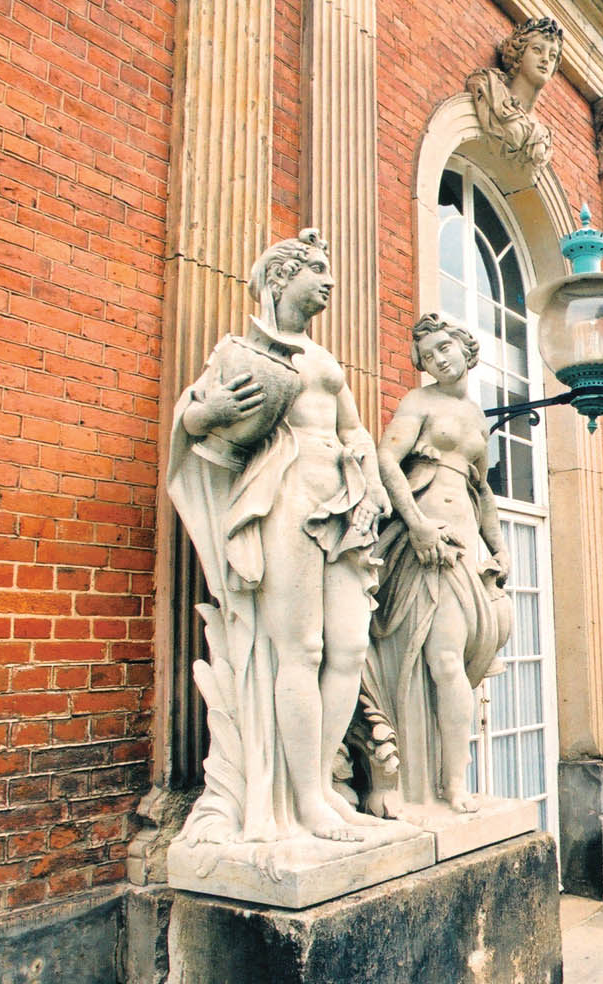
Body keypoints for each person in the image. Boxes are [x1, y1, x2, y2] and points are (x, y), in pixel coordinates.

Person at [167, 229, 391, 847]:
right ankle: (306, 803)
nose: (329, 281)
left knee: (349, 649)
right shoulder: (240, 350)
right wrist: (209, 414)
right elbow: (195, 419)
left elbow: (355, 430)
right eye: (316, 269)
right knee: (303, 650)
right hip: (286, 495)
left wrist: (371, 482)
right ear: (280, 278)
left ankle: (318, 785)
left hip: (342, 500)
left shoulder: (325, 360)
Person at [365, 315, 512, 814]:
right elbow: (386, 459)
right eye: (427, 356)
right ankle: (450, 784)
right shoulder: (418, 402)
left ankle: (450, 780)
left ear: (465, 347)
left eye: (444, 348)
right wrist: (417, 525)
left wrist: (499, 547)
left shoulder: (476, 416)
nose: (438, 360)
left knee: (459, 665)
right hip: (430, 544)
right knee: (445, 661)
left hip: (466, 546)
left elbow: (482, 490)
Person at [465, 17, 563, 169]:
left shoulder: (542, 135)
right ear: (519, 55)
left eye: (552, 56)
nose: (545, 60)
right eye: (537, 50)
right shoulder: (490, 89)